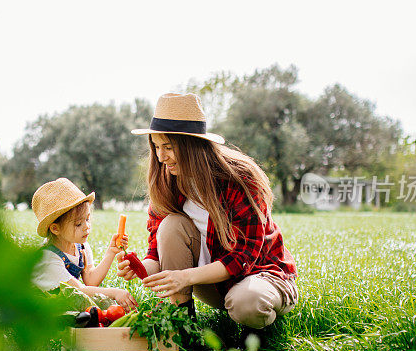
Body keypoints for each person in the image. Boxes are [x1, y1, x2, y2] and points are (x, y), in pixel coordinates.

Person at [117, 93, 298, 329]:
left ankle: (256, 337)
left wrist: (186, 277)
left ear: (191, 145)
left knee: (247, 303)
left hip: (260, 277)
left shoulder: (240, 179)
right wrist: (140, 268)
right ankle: (183, 325)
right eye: (157, 147)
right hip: (212, 283)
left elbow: (242, 258)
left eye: (168, 147)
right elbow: (157, 252)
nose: (161, 157)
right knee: (170, 225)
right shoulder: (167, 180)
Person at [31, 177, 138, 311]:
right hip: (41, 310)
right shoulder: (48, 258)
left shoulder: (80, 247)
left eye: (87, 219)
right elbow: (79, 290)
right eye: (78, 223)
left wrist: (111, 252)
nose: (87, 227)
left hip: (64, 304)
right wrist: (115, 293)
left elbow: (91, 281)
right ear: (55, 228)